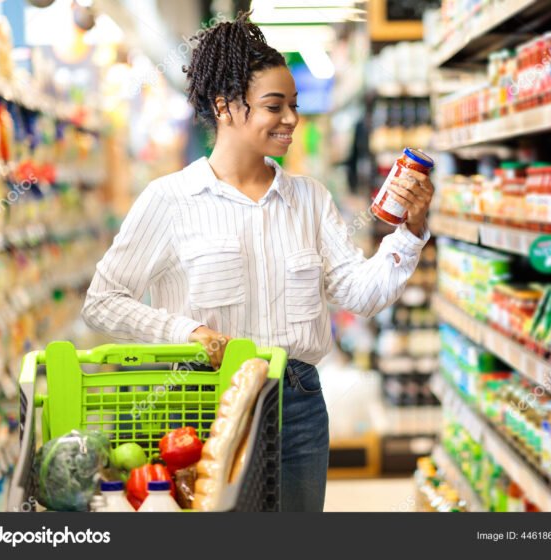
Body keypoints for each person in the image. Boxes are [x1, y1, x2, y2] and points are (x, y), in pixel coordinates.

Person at [81, 12, 434, 512]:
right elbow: (103, 301)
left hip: (297, 404)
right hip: (202, 400)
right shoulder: (170, 199)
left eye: (293, 105)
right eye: (274, 106)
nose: (291, 119)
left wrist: (410, 232)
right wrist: (186, 332)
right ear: (225, 107)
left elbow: (359, 293)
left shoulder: (309, 199)